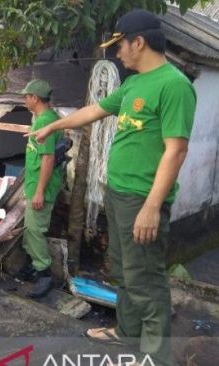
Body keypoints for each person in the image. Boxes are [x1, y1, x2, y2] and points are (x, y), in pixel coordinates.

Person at [27, 9, 196, 366]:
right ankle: (127, 333)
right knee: (122, 270)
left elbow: (176, 149)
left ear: (139, 42)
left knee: (146, 280)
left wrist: (152, 205)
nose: (117, 53)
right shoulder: (134, 83)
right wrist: (52, 128)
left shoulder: (174, 85)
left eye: (120, 46)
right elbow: (93, 111)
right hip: (118, 193)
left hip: (143, 199)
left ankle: (155, 357)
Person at [16, 79, 63, 298]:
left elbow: (48, 159)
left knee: (35, 230)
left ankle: (45, 274)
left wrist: (39, 192)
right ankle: (34, 266)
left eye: (26, 96)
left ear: (35, 98)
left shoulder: (45, 122)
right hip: (36, 183)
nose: (24, 100)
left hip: (41, 186)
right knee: (30, 228)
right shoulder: (47, 119)